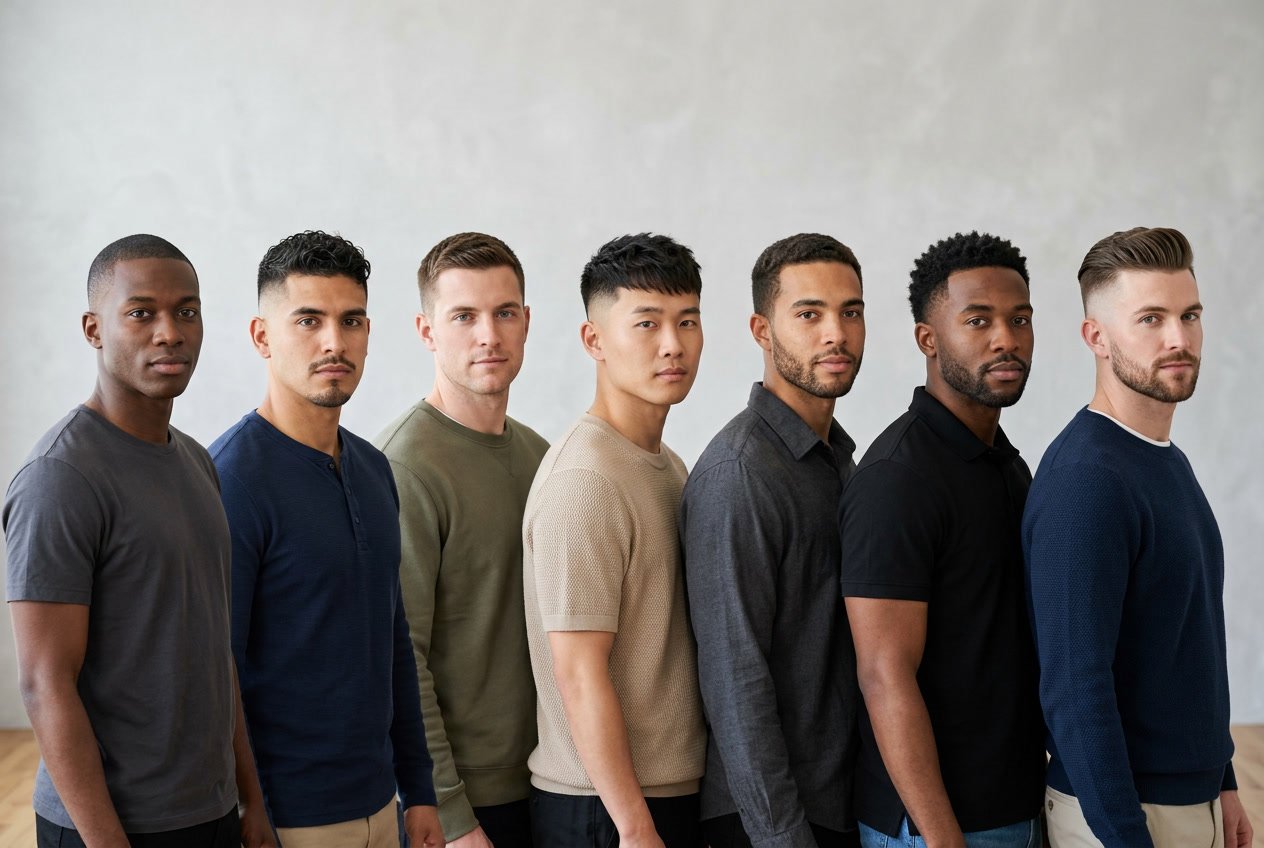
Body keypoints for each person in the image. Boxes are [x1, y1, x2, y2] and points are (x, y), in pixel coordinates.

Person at [3, 234, 272, 848]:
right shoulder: (60, 476)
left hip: (208, 812)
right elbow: (44, 682)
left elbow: (214, 650)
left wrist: (249, 797)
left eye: (186, 311)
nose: (169, 332)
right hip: (112, 826)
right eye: (140, 312)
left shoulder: (199, 464)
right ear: (94, 329)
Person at [1023, 227, 1252, 848]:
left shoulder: (1161, 460)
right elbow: (1074, 691)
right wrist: (1127, 836)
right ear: (1095, 336)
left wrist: (1222, 778)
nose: (1178, 338)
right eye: (1150, 318)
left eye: (1189, 315)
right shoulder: (1085, 482)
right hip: (1121, 816)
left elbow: (1185, 644)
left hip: (1188, 801)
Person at [210, 230, 440, 848]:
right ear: (262, 336)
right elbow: (216, 666)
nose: (335, 342)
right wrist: (248, 807)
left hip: (381, 803)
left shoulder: (372, 469)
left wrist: (419, 790)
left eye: (352, 320)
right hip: (286, 817)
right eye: (308, 320)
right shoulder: (232, 479)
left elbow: (392, 636)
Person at [840, 232, 1045, 848]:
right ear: (928, 339)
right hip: (932, 828)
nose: (1005, 338)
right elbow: (884, 676)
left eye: (1020, 319)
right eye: (977, 321)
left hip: (1012, 806)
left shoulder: (1006, 464)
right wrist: (942, 837)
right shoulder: (897, 480)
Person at [680, 233, 866, 848]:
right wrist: (784, 838)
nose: (835, 333)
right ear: (762, 330)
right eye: (808, 314)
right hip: (770, 822)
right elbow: (735, 681)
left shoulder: (838, 459)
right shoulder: (740, 474)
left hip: (837, 803)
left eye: (850, 311)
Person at [522, 233, 707, 848]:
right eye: (646, 324)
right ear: (594, 340)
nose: (672, 345)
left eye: (687, 322)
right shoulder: (586, 481)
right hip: (605, 811)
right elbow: (578, 672)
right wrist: (634, 827)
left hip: (662, 797)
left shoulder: (668, 467)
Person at [376, 232, 549, 847]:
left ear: (526, 322)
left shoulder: (542, 457)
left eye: (504, 313)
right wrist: (449, 816)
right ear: (426, 329)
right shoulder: (403, 466)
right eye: (463, 316)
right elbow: (400, 659)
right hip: (463, 803)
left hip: (549, 782)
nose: (488, 335)